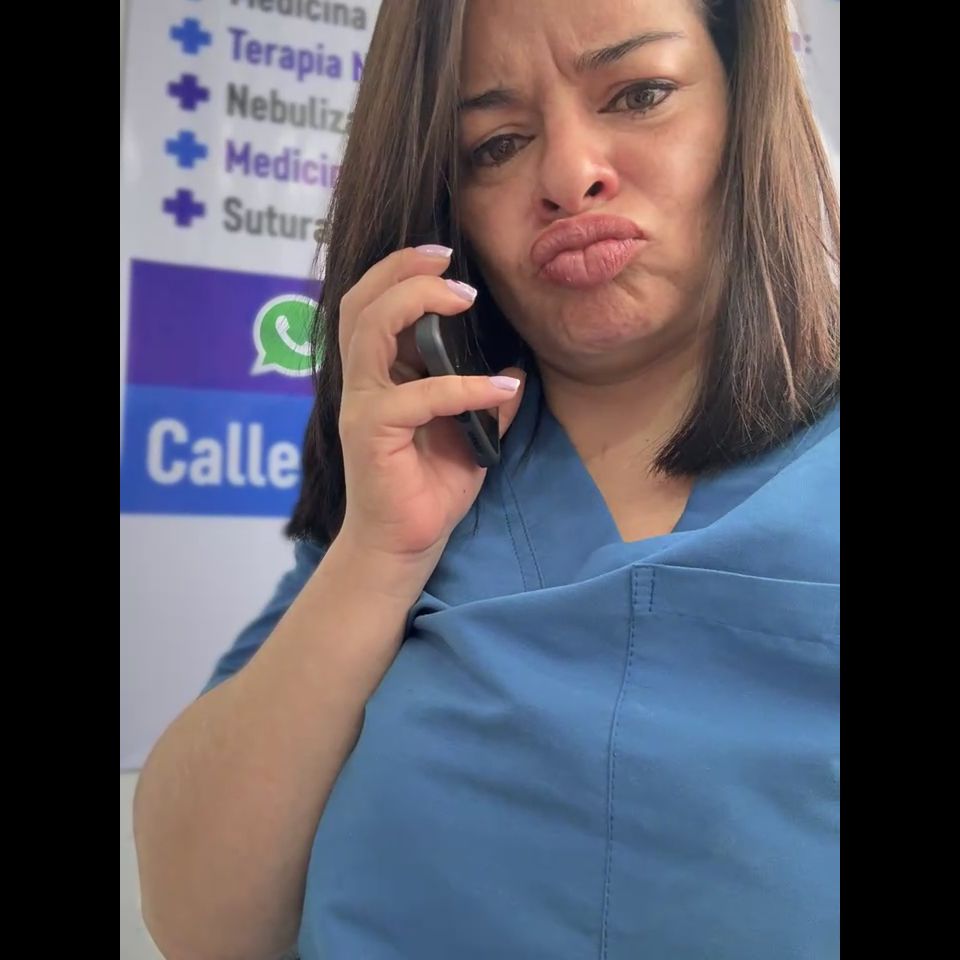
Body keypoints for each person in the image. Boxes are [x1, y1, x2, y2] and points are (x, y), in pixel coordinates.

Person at [134, 0, 840, 956]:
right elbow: (199, 919)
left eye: (639, 94)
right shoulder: (417, 488)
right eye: (496, 146)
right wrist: (379, 554)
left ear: (747, 103)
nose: (569, 174)